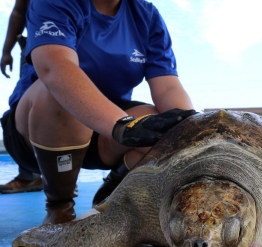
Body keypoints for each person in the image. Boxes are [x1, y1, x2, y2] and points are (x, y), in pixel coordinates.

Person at [1, 0, 196, 224]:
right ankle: (59, 208)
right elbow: (54, 68)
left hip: (104, 133)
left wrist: (194, 133)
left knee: (167, 124)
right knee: (56, 95)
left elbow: (168, 86)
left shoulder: (147, 15)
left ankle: (110, 197)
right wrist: (122, 125)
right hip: (37, 133)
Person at [0, 0, 43, 194]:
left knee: (66, 101)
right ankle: (29, 175)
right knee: (23, 104)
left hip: (77, 41)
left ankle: (64, 174)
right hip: (36, 44)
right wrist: (6, 50)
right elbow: (19, 11)